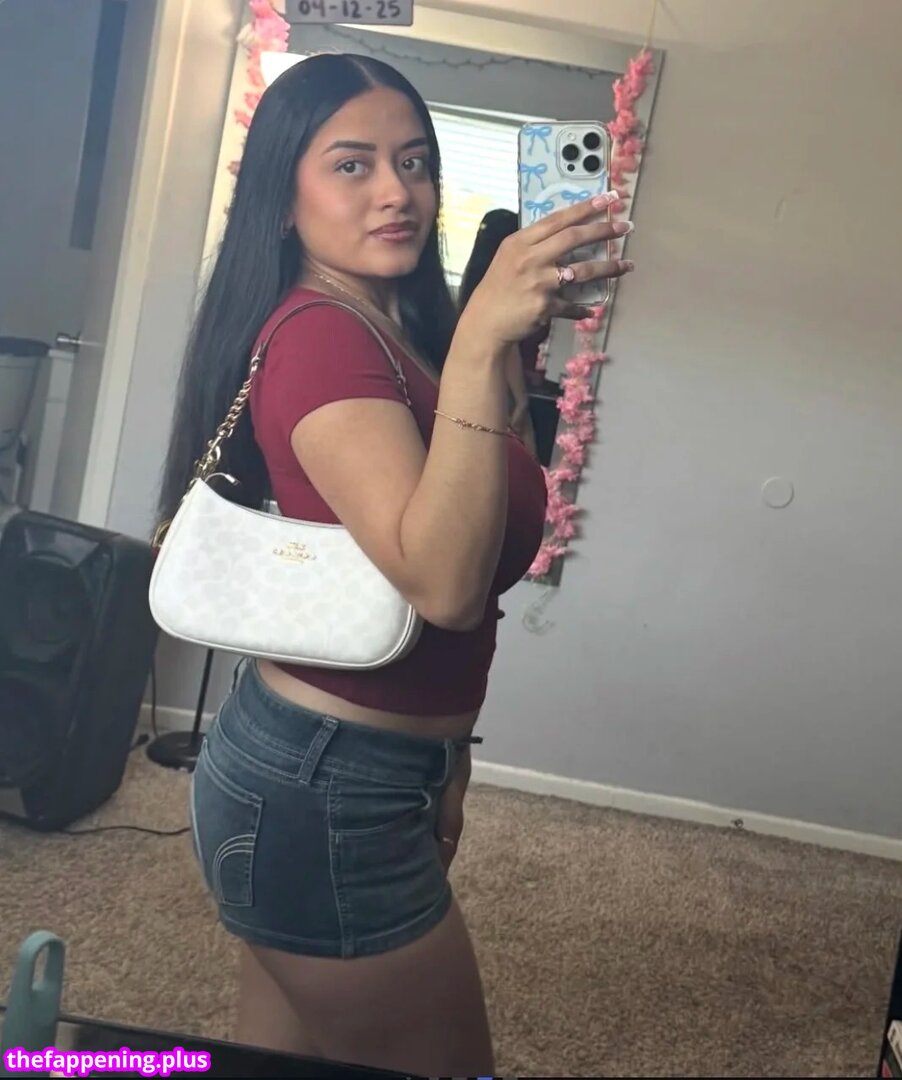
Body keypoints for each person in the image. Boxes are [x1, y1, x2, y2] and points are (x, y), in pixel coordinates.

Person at [156, 52, 633, 1078]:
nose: (396, 191)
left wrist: (447, 759)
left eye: (414, 162)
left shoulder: (395, 329)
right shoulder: (321, 340)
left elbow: (485, 520)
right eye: (352, 164)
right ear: (283, 197)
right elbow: (444, 583)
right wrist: (478, 346)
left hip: (358, 767)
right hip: (324, 782)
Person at [457, 208, 548, 458]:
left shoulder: (474, 284)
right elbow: (507, 346)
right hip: (505, 386)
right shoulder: (506, 289)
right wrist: (520, 399)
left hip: (481, 383)